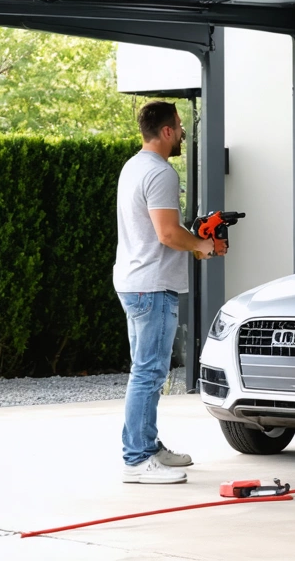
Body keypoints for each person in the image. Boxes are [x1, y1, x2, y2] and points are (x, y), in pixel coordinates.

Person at [114, 101, 216, 484]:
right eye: (180, 128)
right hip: (153, 285)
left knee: (146, 371)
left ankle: (146, 444)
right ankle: (137, 460)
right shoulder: (160, 173)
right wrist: (202, 246)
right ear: (168, 131)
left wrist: (196, 241)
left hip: (135, 282)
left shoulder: (133, 166)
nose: (183, 136)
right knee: (149, 373)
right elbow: (168, 233)